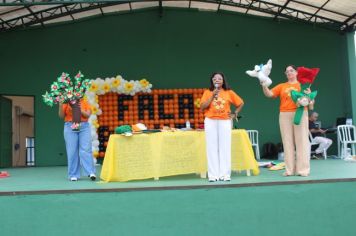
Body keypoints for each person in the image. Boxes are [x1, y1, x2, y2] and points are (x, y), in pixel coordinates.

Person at [261, 65, 314, 177]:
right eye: (287, 71)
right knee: (287, 142)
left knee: (302, 142)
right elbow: (269, 94)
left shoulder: (303, 85)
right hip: (284, 114)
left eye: (291, 70)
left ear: (296, 72)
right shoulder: (282, 86)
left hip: (300, 113)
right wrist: (264, 85)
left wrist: (309, 98)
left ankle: (303, 170)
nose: (289, 72)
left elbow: (311, 106)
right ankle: (289, 170)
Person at [200, 72, 244, 182]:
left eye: (219, 78)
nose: (217, 80)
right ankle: (213, 175)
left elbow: (241, 103)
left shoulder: (229, 92)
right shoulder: (207, 92)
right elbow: (202, 107)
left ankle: (225, 174)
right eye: (215, 78)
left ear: (223, 81)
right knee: (212, 147)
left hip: (225, 121)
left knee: (225, 147)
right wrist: (212, 96)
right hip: (210, 121)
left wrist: (235, 114)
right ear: (212, 81)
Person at [58, 99, 96, 181]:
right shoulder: (66, 102)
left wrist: (77, 108)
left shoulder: (84, 102)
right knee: (72, 151)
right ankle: (73, 174)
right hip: (70, 125)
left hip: (84, 126)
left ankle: (91, 172)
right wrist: (60, 105)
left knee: (86, 149)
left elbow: (88, 115)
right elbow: (61, 116)